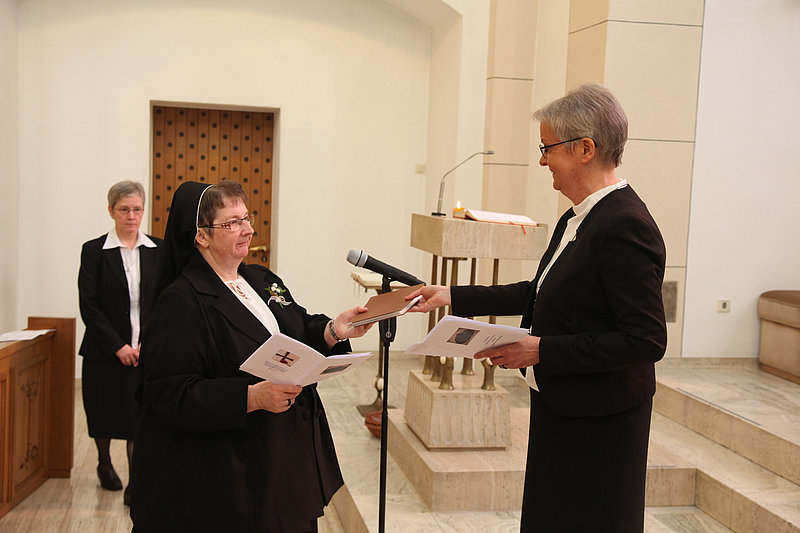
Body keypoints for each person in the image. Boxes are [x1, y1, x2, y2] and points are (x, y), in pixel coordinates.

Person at [408, 82, 667, 532]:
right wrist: (451, 294)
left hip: (602, 422)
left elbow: (645, 340)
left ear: (585, 149)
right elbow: (539, 291)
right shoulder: (578, 216)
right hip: (564, 405)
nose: (543, 160)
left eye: (548, 148)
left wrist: (540, 350)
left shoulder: (625, 224)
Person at [128, 180, 373, 533]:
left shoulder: (259, 278)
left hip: (287, 455)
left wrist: (334, 329)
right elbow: (170, 392)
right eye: (232, 222)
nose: (248, 229)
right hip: (233, 475)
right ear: (201, 236)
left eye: (247, 217)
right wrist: (251, 397)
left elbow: (297, 326)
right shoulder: (181, 302)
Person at [78, 180, 161, 505]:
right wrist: (118, 346)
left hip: (145, 351)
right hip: (104, 351)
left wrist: (146, 344)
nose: (131, 216)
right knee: (103, 413)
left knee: (137, 419)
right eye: (124, 209)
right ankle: (104, 462)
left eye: (137, 209)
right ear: (111, 210)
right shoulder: (94, 251)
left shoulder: (158, 250)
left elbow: (165, 302)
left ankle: (135, 482)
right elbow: (89, 305)